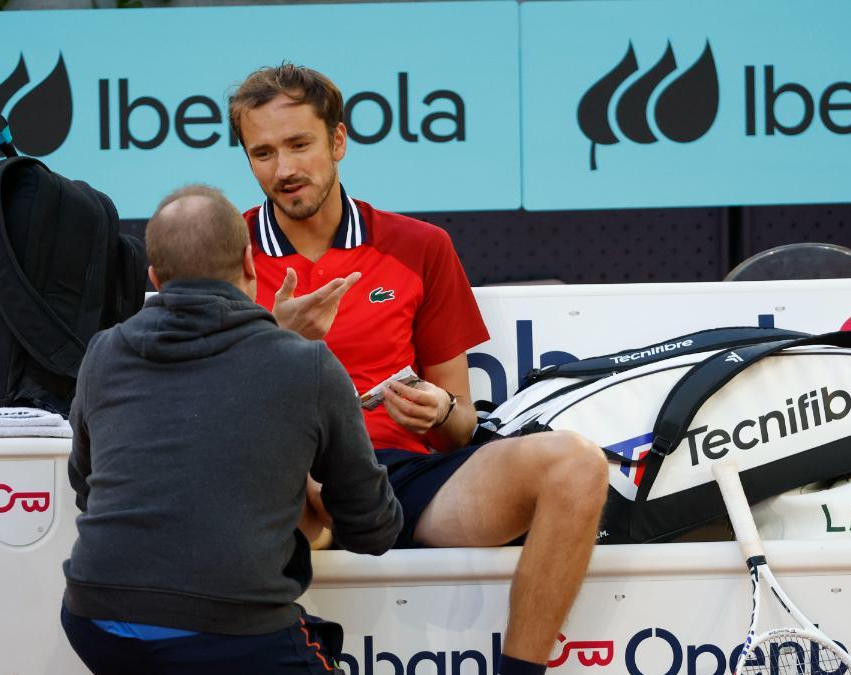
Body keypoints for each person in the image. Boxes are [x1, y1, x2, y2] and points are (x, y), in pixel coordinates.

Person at [229, 64, 608, 675]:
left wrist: (441, 410)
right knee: (273, 470)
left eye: (299, 144)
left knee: (577, 464)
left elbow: (459, 429)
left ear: (338, 140)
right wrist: (279, 347)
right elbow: (208, 413)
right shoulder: (229, 254)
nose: (284, 169)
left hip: (397, 481)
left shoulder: (419, 246)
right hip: (281, 482)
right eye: (263, 153)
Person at [60, 184, 402, 675]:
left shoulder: (103, 352)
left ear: (154, 277)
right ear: (248, 261)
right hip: (231, 628)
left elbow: (88, 491)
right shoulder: (307, 365)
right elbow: (373, 528)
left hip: (95, 617)